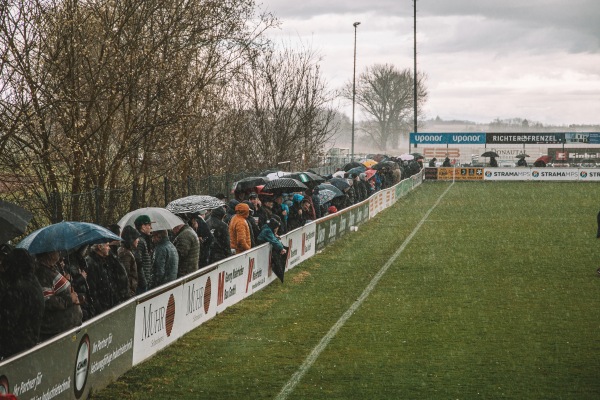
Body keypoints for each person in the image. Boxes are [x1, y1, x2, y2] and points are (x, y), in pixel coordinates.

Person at [0, 248, 44, 359]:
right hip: (29, 342)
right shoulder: (34, 283)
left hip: (13, 348)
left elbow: (6, 322)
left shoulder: (17, 289)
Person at [35, 251, 82, 341]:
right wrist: (69, 299)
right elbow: (48, 301)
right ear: (49, 253)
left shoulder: (52, 269)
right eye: (56, 250)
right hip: (57, 333)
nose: (59, 252)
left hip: (68, 329)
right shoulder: (42, 273)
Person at [86, 242, 126, 315]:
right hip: (102, 308)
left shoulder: (105, 260)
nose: (109, 248)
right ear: (99, 247)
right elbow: (93, 290)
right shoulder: (91, 263)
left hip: (109, 304)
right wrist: (100, 309)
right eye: (107, 245)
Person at [118, 225, 140, 297]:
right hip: (128, 294)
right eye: (136, 238)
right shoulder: (125, 254)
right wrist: (129, 293)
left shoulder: (126, 251)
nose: (138, 240)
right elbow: (125, 276)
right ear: (131, 239)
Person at [134, 215, 153, 293]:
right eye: (149, 225)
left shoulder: (144, 240)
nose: (150, 227)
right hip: (142, 284)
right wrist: (144, 281)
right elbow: (139, 262)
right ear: (143, 227)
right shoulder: (141, 241)